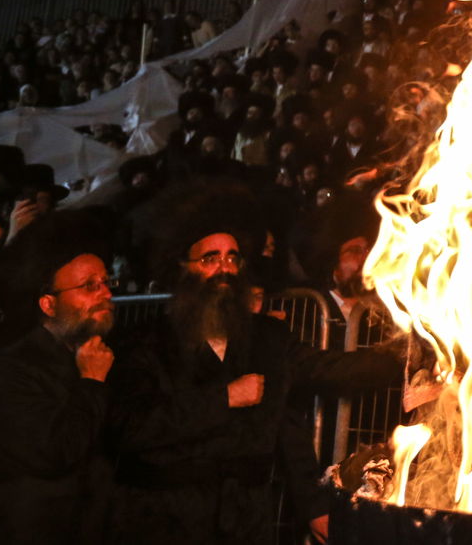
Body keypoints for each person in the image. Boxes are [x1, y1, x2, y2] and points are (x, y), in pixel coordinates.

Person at [106, 187, 331, 545]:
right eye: (210, 259)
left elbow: (288, 427)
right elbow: (130, 428)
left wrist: (314, 506)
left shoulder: (267, 338)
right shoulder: (144, 342)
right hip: (165, 521)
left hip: (246, 522)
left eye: (232, 258)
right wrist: (222, 398)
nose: (224, 269)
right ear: (183, 268)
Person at [0, 213, 116, 545]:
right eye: (89, 285)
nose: (104, 293)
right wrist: (91, 382)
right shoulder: (10, 369)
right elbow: (56, 452)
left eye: (106, 282)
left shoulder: (106, 355)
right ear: (49, 303)